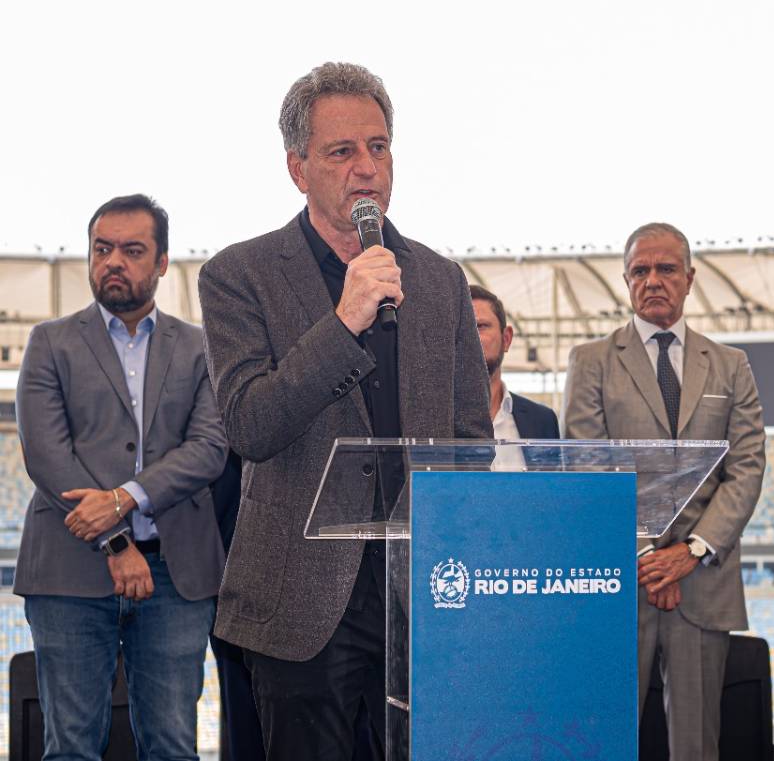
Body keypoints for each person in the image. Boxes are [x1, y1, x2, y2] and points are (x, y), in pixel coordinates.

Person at [198, 62, 491, 761]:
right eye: (342, 151)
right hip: (300, 601)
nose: (367, 168)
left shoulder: (440, 279)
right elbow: (249, 424)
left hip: (423, 597)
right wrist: (344, 320)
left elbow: (471, 441)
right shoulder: (239, 276)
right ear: (298, 169)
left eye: (379, 147)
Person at [14, 193, 227, 761]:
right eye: (102, 249)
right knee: (71, 748)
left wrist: (123, 499)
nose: (113, 262)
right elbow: (46, 456)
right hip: (70, 571)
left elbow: (209, 449)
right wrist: (116, 540)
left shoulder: (200, 348)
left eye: (132, 251)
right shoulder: (49, 342)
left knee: (174, 746)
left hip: (175, 578)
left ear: (161, 263)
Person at [563, 222, 765, 761]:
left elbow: (746, 467)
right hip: (619, 580)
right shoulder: (591, 362)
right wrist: (649, 557)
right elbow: (586, 467)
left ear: (690, 278)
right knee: (605, 741)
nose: (653, 280)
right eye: (640, 271)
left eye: (666, 269)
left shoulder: (731, 365)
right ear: (626, 281)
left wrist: (691, 552)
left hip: (703, 582)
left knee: (697, 747)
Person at [470, 284, 559, 439]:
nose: (469, 336)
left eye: (481, 326)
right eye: (458, 328)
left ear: (506, 339)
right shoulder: (432, 420)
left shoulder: (542, 421)